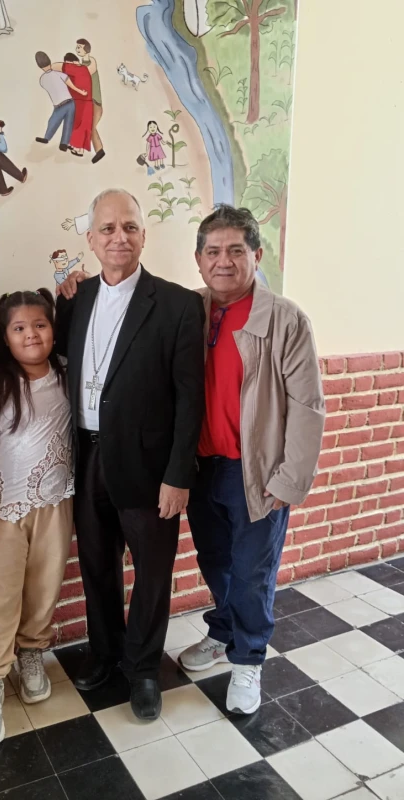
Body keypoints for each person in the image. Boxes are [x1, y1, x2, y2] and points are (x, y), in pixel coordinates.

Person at [55, 189, 204, 721]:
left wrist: (177, 474)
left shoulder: (179, 304)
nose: (120, 237)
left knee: (153, 569)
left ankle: (143, 668)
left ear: (145, 234)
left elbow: (191, 398)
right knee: (96, 564)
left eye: (130, 227)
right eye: (108, 228)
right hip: (86, 455)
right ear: (91, 238)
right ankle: (106, 650)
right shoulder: (73, 299)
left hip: (150, 466)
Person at [179, 205, 325, 714]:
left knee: (251, 573)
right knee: (215, 562)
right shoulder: (190, 311)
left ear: (256, 256)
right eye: (213, 252)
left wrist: (289, 482)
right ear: (198, 260)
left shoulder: (284, 319)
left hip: (256, 475)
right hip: (202, 470)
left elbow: (308, 408)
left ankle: (247, 662)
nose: (224, 262)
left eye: (235, 251)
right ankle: (222, 632)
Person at [0, 289, 74, 746]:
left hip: (55, 505)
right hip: (1, 508)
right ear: (5, 337)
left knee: (44, 586)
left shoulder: (66, 373)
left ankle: (32, 652)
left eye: (40, 325)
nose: (32, 334)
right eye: (19, 328)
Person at [35, 52, 86, 152]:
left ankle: (51, 139)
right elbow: (72, 86)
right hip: (69, 103)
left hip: (60, 104)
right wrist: (81, 92)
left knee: (55, 121)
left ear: (40, 66)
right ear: (50, 62)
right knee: (67, 123)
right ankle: (62, 143)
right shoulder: (60, 74)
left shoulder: (42, 79)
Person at [57, 53, 92, 158]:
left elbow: (57, 66)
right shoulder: (83, 69)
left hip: (82, 101)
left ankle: (79, 149)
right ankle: (76, 146)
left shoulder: (76, 68)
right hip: (83, 100)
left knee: (80, 125)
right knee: (79, 125)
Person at [76, 38, 105, 164]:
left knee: (90, 127)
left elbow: (88, 71)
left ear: (86, 49)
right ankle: (96, 150)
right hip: (88, 103)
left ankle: (99, 150)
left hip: (95, 103)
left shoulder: (91, 62)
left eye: (79, 47)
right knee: (88, 126)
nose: (77, 49)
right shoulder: (81, 65)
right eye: (77, 47)